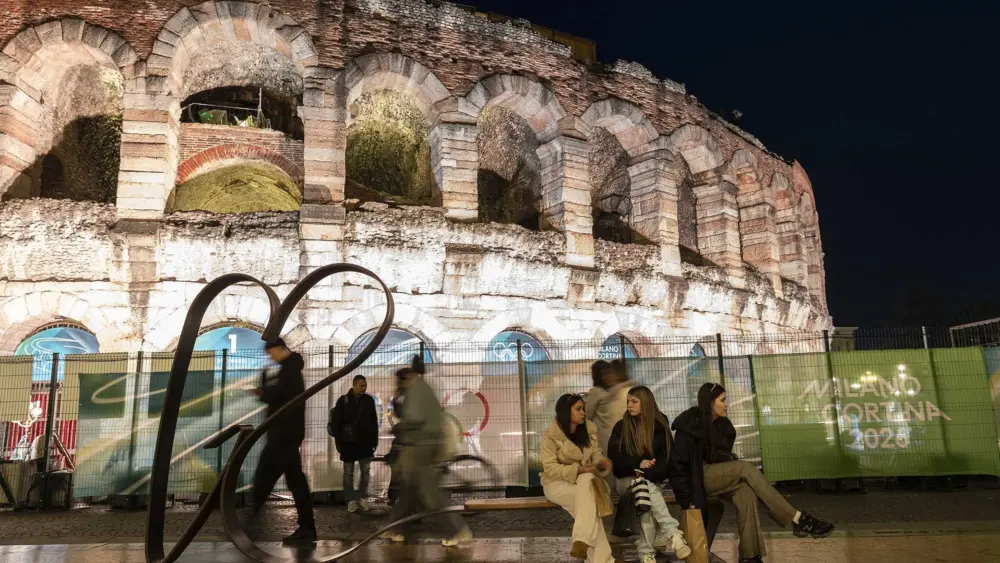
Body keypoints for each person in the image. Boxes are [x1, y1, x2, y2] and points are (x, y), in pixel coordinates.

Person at [667, 382, 835, 563]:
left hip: (714, 477)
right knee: (744, 468)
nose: (727, 404)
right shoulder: (690, 424)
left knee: (744, 491)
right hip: (697, 479)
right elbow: (677, 466)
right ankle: (797, 519)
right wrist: (686, 500)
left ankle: (750, 555)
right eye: (723, 400)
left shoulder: (723, 427)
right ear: (709, 402)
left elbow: (722, 457)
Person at [380, 356, 472, 547]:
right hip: (425, 445)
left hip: (421, 447)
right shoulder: (425, 387)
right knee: (408, 491)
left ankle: (457, 530)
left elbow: (414, 418)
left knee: (429, 494)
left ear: (409, 375)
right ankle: (395, 528)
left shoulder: (416, 389)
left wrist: (399, 429)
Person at [607, 386, 691, 563]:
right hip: (625, 480)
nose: (629, 405)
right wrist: (636, 464)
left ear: (645, 403)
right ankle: (672, 533)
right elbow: (615, 460)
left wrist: (645, 472)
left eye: (634, 401)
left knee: (645, 496)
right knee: (645, 491)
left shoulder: (659, 425)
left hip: (651, 480)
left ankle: (646, 552)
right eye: (628, 401)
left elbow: (665, 460)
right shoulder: (621, 426)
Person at [248, 338, 316, 544]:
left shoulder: (290, 371)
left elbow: (283, 397)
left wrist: (263, 390)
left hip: (283, 436)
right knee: (295, 482)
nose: (271, 357)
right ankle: (307, 528)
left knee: (263, 478)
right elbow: (282, 396)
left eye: (271, 352)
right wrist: (265, 390)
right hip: (286, 435)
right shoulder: (289, 369)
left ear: (280, 349)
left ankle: (249, 524)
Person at [541, 393, 621, 563]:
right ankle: (603, 559)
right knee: (589, 503)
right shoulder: (550, 435)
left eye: (583, 409)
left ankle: (582, 541)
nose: (583, 413)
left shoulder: (589, 431)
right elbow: (549, 468)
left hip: (586, 483)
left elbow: (597, 456)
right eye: (578, 409)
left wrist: (601, 463)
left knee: (587, 484)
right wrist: (578, 469)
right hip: (557, 484)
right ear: (565, 412)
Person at [330, 374, 379, 513]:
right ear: (354, 385)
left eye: (365, 386)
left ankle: (362, 498)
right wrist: (339, 442)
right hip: (348, 444)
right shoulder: (343, 401)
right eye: (361, 386)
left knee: (365, 472)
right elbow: (335, 423)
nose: (364, 388)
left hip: (364, 443)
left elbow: (373, 422)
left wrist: (374, 441)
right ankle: (351, 500)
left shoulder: (369, 400)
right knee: (348, 473)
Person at [585, 360, 632, 461]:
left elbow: (588, 415)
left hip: (605, 438)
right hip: (617, 437)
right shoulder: (615, 391)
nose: (607, 376)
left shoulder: (598, 392)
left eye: (608, 373)